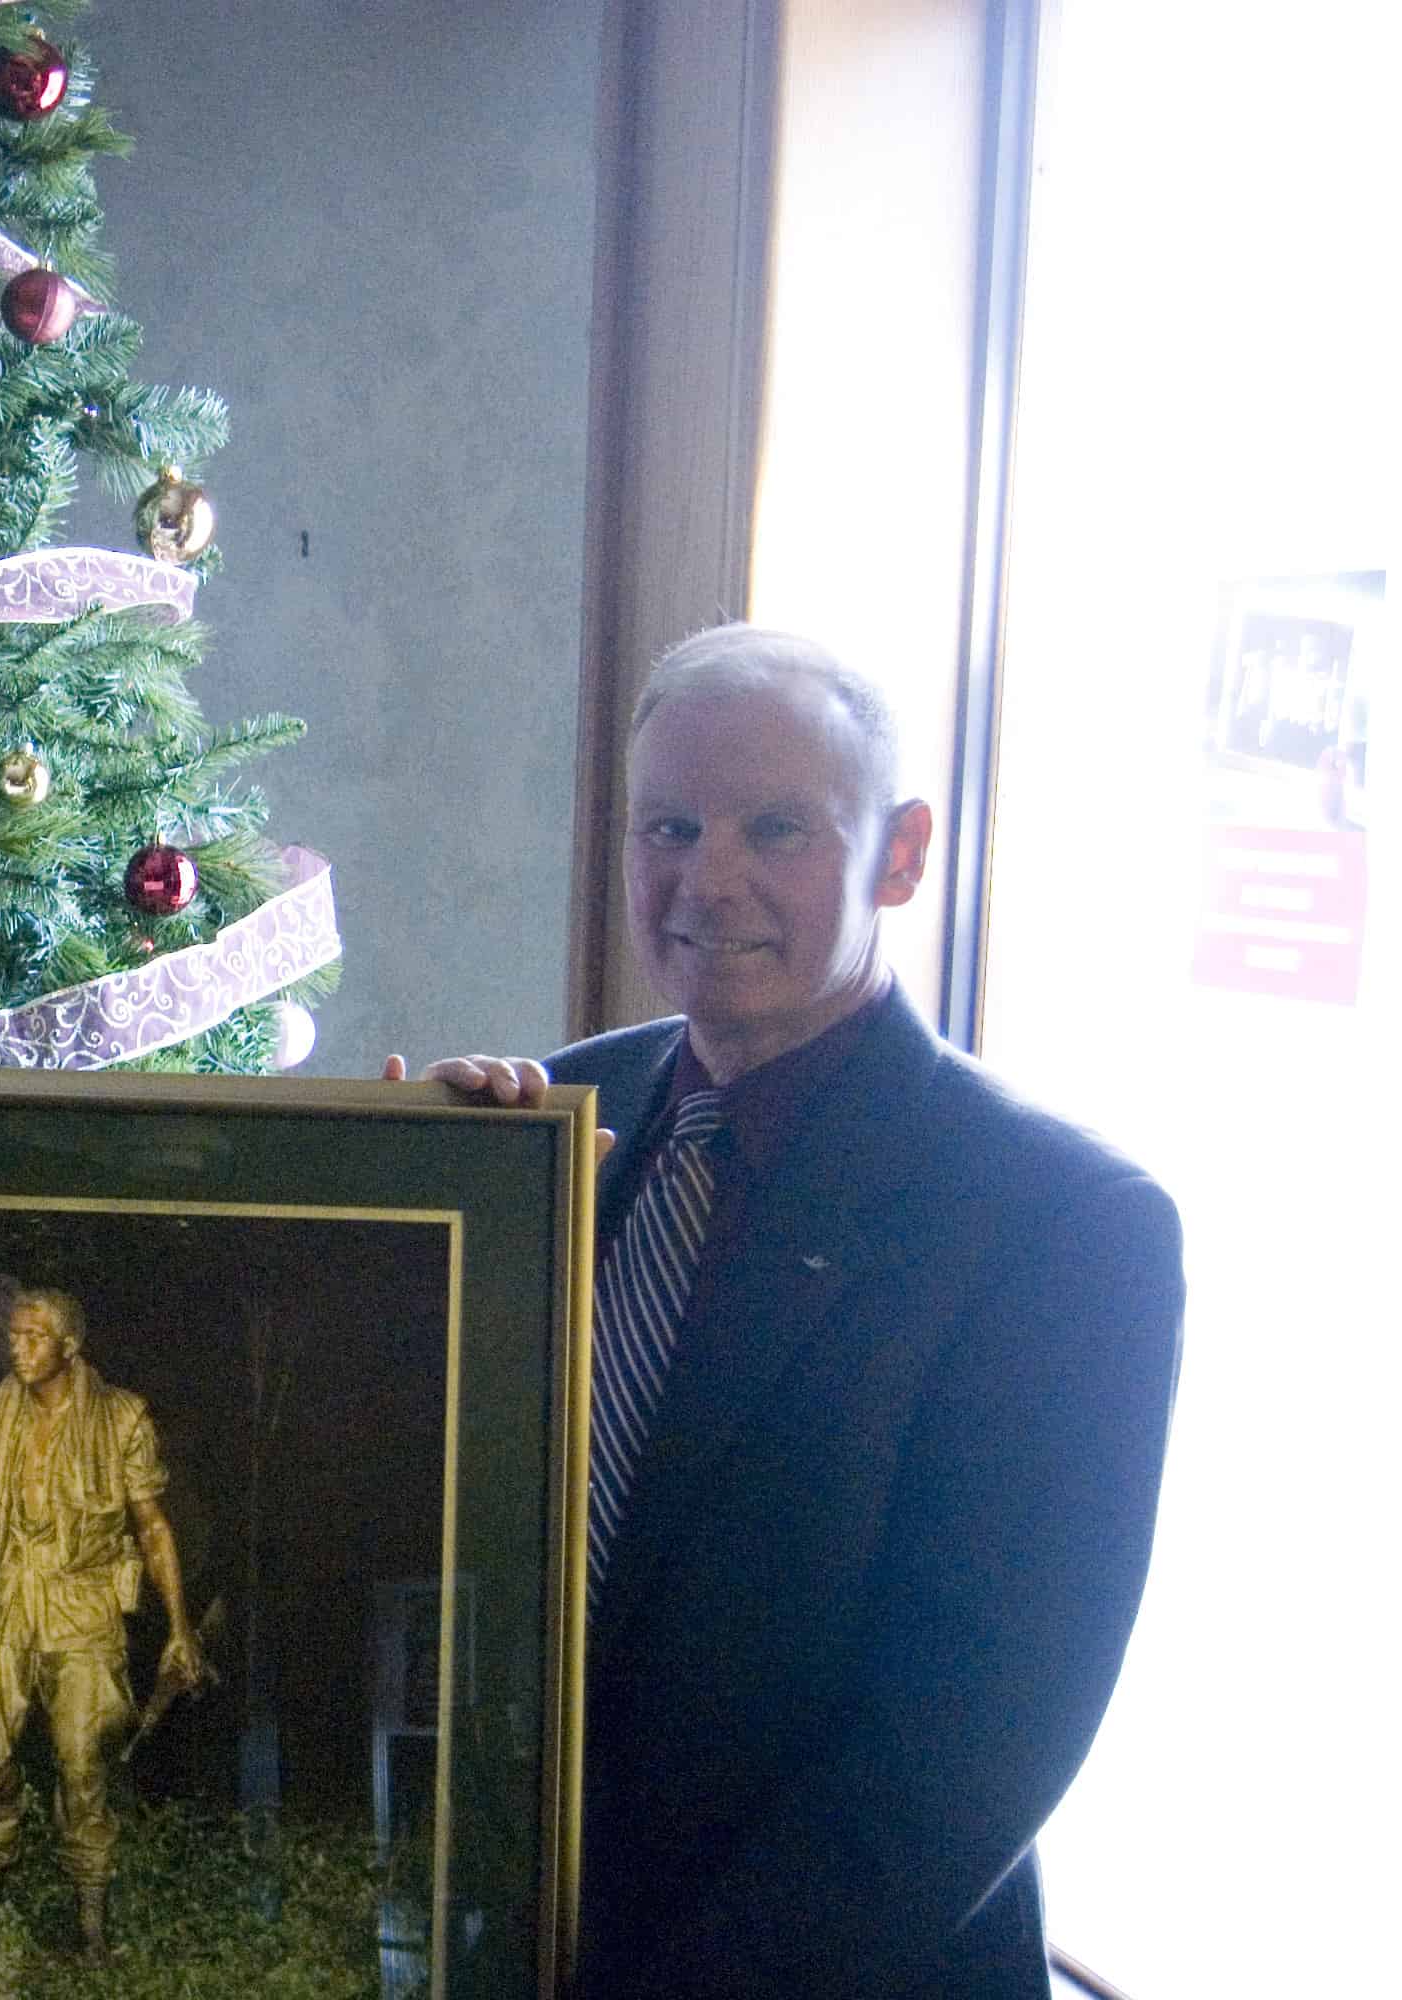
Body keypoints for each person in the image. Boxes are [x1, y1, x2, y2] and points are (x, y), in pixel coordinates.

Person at [393, 624, 1181, 1999]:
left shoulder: (1063, 1225)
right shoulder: (549, 1123)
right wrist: (404, 1232)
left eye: (777, 829)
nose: (711, 881)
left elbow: (960, 1767)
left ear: (903, 852)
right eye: (671, 827)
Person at [0, 1288, 207, 1957]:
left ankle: (91, 1922)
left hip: (83, 1600)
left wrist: (179, 1625)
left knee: (82, 1762)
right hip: (7, 1597)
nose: (18, 1347)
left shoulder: (121, 1418)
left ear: (69, 1345)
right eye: (13, 1334)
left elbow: (153, 1528)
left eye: (34, 1336)